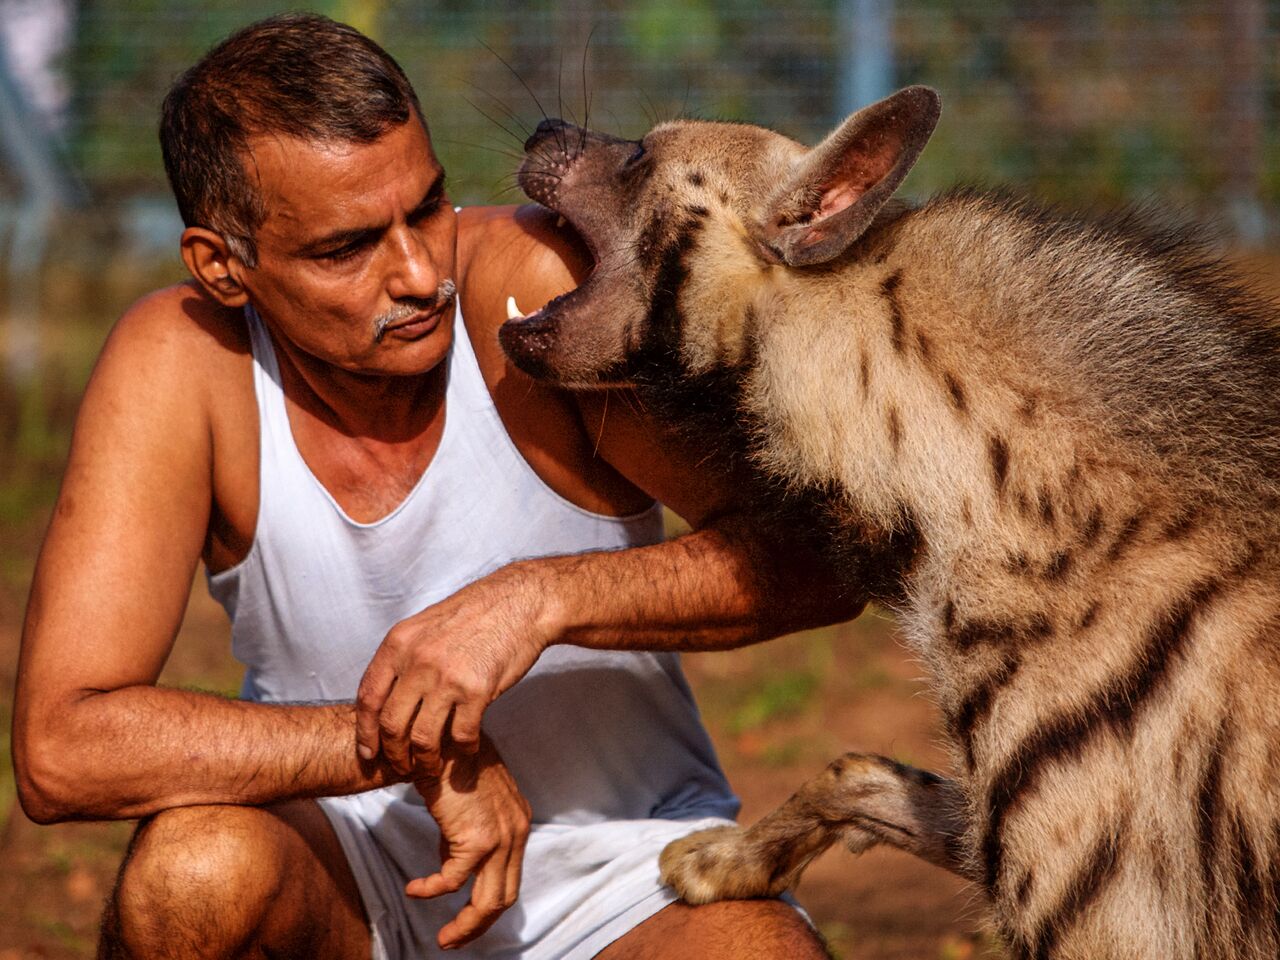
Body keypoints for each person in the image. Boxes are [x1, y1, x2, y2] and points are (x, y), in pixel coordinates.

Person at [12, 14, 861, 960]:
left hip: (622, 880)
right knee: (191, 876)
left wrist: (534, 600)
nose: (420, 273)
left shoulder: (542, 299)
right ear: (223, 268)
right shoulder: (179, 361)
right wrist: (408, 751)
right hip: (347, 863)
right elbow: (62, 746)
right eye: (346, 249)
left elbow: (822, 556)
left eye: (426, 208)